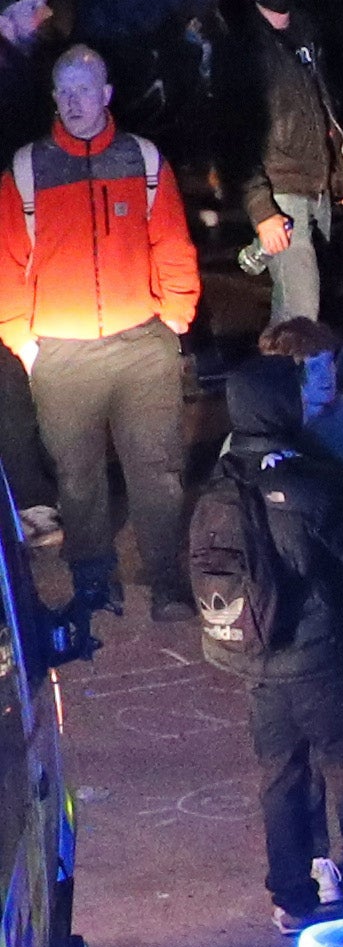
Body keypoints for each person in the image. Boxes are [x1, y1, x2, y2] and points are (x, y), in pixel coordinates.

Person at [13, 43, 199, 638]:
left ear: (106, 94)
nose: (72, 103)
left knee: (158, 467)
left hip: (140, 343)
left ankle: (164, 575)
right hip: (61, 352)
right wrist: (24, 341)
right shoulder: (27, 168)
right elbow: (6, 262)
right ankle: (93, 576)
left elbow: (172, 241)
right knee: (77, 475)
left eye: (83, 90)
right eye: (62, 92)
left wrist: (175, 315)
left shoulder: (141, 159)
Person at [197, 350, 343, 929]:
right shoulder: (306, 480)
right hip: (318, 652)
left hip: (254, 654)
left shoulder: (221, 478)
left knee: (280, 773)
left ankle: (292, 896)